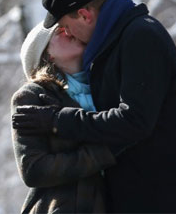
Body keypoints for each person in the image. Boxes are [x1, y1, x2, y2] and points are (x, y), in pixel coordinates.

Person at [13, 0, 176, 213]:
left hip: (157, 200)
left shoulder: (140, 36)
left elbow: (134, 120)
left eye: (65, 26)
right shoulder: (113, 46)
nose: (68, 33)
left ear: (84, 15)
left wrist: (56, 120)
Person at [11, 20, 116, 214]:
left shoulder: (109, 87)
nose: (69, 32)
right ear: (47, 56)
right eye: (59, 32)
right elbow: (34, 169)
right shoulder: (32, 96)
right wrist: (102, 154)